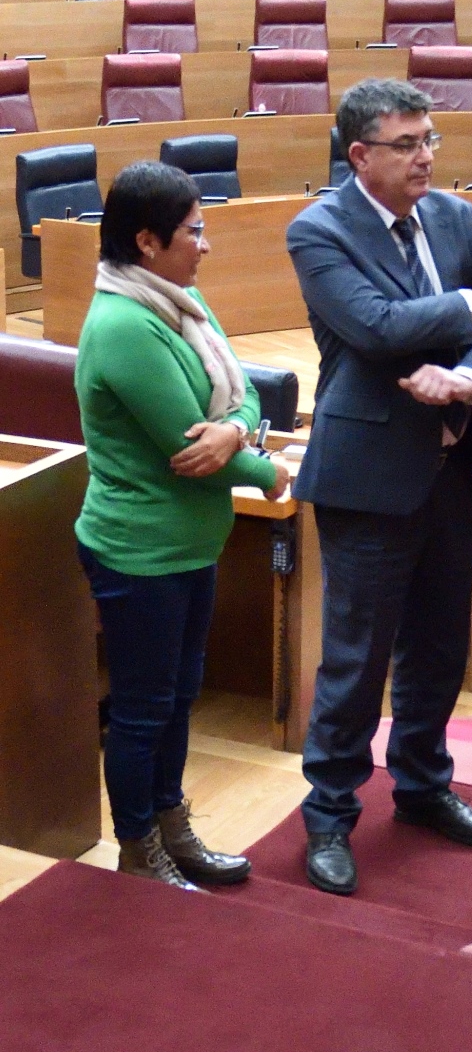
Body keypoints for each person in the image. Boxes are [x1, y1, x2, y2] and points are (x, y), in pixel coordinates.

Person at [287, 78, 472, 896]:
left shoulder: (456, 217)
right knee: (356, 660)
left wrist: (469, 379)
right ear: (360, 155)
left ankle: (424, 786)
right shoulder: (319, 229)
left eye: (430, 140)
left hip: (450, 466)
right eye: (407, 144)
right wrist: (462, 303)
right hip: (367, 477)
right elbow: (373, 328)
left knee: (438, 645)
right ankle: (328, 815)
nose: (427, 156)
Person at [74, 160, 292, 889]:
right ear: (146, 241)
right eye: (194, 232)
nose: (206, 245)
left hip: (190, 546)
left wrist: (237, 432)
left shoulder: (180, 302)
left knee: (178, 697)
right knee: (142, 712)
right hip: (139, 551)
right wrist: (267, 467)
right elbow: (188, 450)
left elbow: (247, 396)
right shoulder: (123, 326)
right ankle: (139, 850)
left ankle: (173, 826)